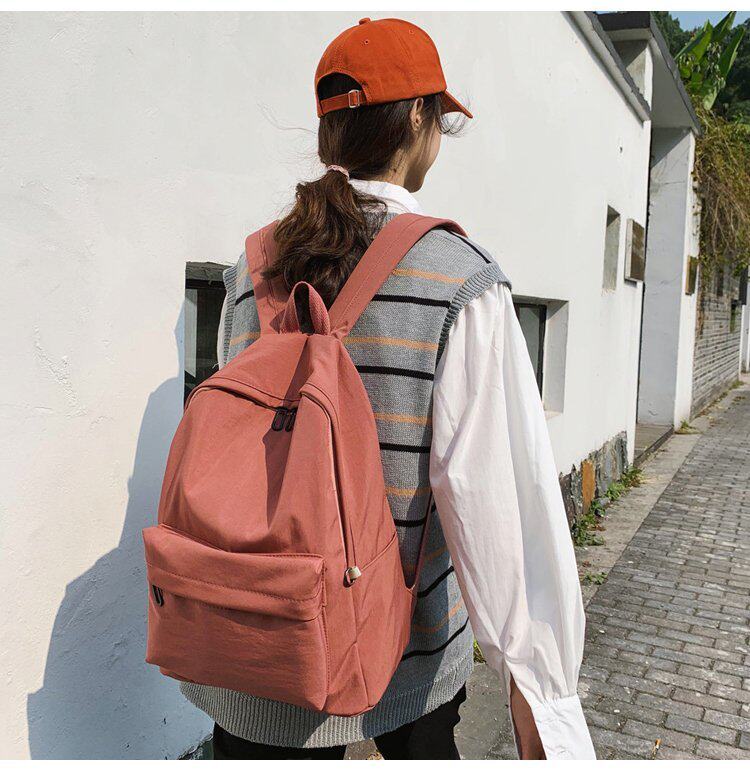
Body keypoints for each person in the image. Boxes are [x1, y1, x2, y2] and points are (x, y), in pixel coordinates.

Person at [181, 16, 595, 760]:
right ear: (416, 120)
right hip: (405, 652)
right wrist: (543, 693)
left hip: (254, 644)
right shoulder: (460, 280)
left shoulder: (252, 267)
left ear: (327, 134)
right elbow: (499, 505)